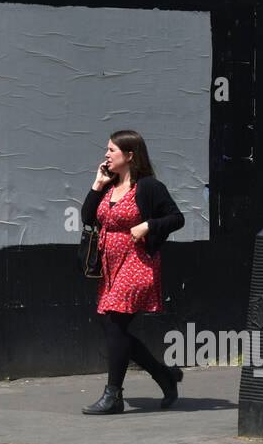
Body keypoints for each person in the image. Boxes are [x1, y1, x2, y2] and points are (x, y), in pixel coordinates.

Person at [79, 130, 185, 414]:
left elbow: (176, 218)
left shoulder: (148, 187)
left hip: (137, 263)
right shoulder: (110, 185)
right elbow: (88, 217)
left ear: (129, 155)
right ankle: (164, 375)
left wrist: (148, 225)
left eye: (112, 150)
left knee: (114, 324)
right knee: (113, 327)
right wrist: (97, 185)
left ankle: (113, 395)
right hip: (109, 267)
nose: (106, 155)